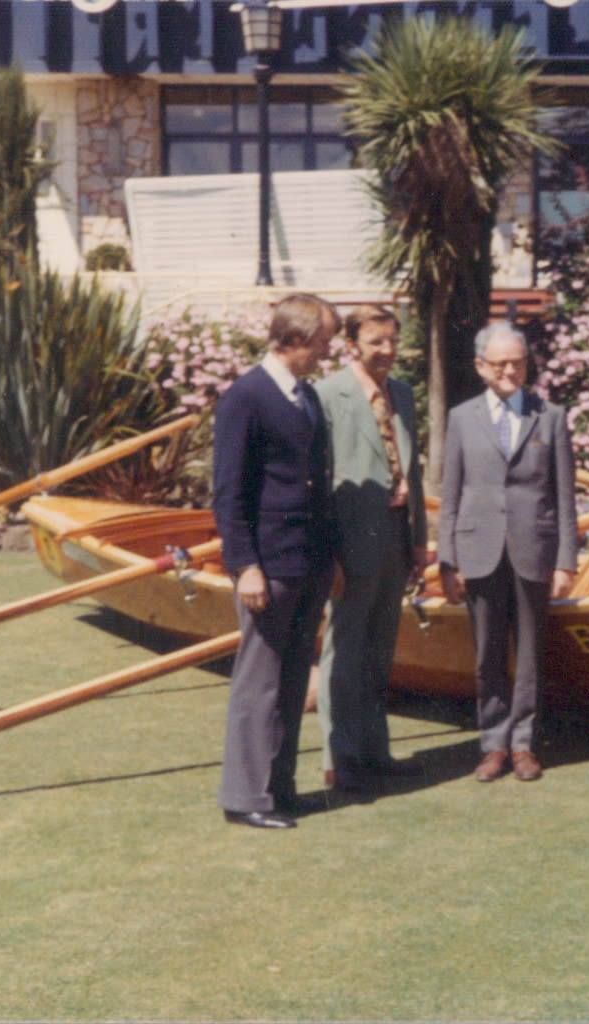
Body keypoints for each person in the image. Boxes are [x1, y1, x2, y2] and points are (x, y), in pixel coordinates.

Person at [213, 293, 339, 829]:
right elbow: (228, 491)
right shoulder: (247, 396)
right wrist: (245, 565)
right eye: (322, 343)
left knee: (290, 683)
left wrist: (328, 559)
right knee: (259, 682)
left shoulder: (305, 396)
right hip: (268, 563)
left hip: (306, 561)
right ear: (293, 340)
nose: (326, 354)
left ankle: (278, 788)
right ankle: (246, 797)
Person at [438, 321, 578, 783]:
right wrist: (447, 559)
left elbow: (564, 496)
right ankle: (493, 744)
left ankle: (523, 744)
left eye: (517, 362)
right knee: (487, 656)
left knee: (531, 655)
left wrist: (564, 560)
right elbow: (451, 495)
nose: (510, 372)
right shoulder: (461, 418)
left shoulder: (551, 417)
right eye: (500, 364)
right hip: (478, 551)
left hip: (533, 550)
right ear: (481, 367)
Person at [314, 305, 429, 795]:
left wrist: (419, 540)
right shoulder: (328, 396)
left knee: (380, 649)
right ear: (352, 345)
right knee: (345, 651)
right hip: (351, 541)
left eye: (392, 341)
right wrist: (329, 553)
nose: (386, 350)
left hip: (395, 536)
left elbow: (412, 472)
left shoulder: (401, 393)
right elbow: (320, 482)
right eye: (376, 341)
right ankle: (339, 760)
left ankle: (375, 752)